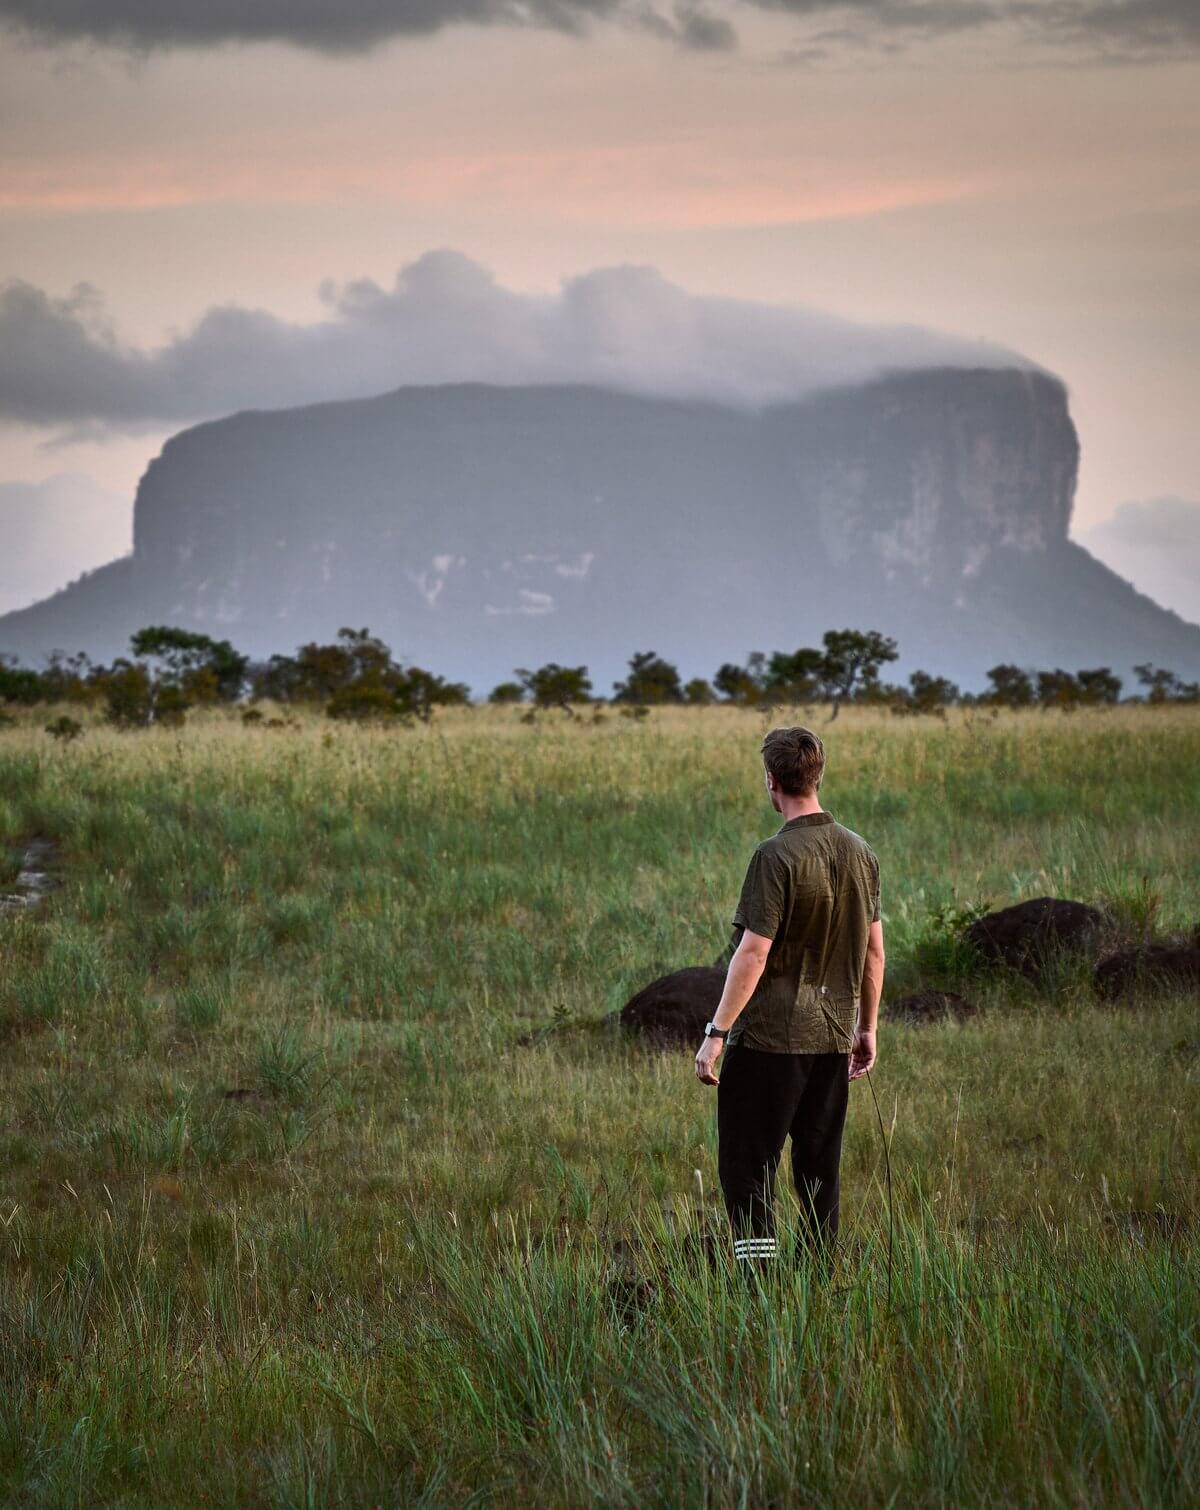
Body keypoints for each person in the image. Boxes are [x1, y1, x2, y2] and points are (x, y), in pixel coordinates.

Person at [694, 725, 884, 1268]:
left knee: (748, 1165)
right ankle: (820, 1273)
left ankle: (758, 1280)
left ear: (771, 781)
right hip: (833, 1038)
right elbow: (874, 953)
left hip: (770, 1041)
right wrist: (866, 1029)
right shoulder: (861, 853)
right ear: (817, 775)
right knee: (819, 1165)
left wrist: (716, 1034)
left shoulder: (774, 856)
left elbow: (753, 953)